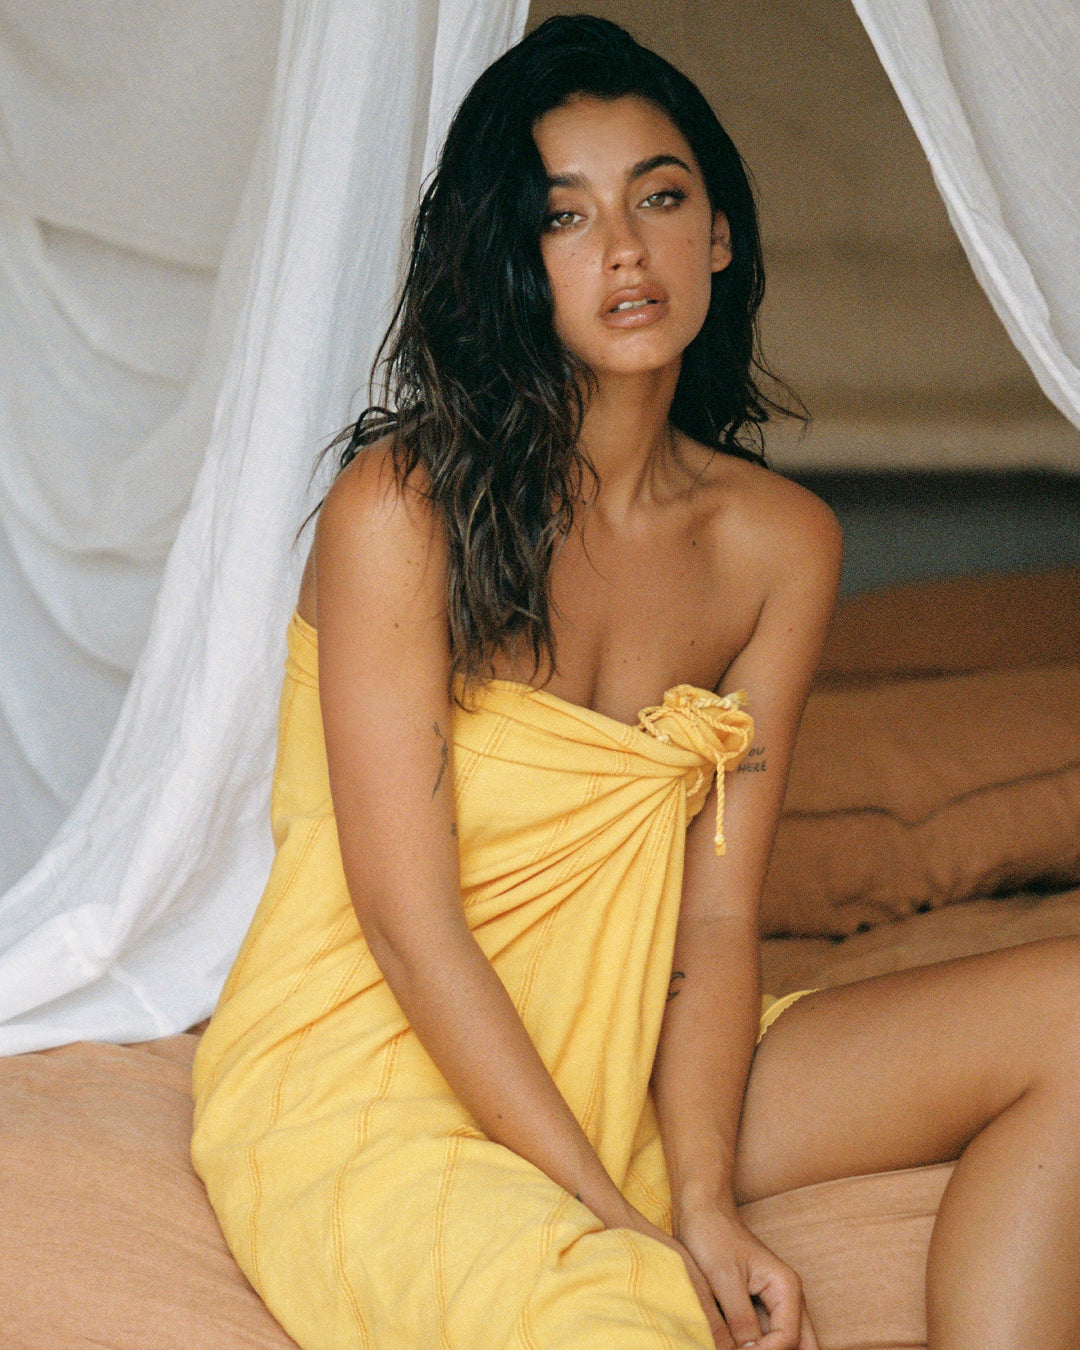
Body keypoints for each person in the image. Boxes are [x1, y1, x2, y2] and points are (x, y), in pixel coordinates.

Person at [191, 16, 1080, 1350]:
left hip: (636, 1042)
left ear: (717, 234)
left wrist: (705, 1196)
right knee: (617, 1317)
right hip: (387, 1054)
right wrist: (620, 1216)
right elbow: (408, 925)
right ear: (510, 259)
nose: (623, 247)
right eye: (565, 216)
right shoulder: (401, 510)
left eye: (659, 198)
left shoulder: (779, 544)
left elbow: (716, 919)